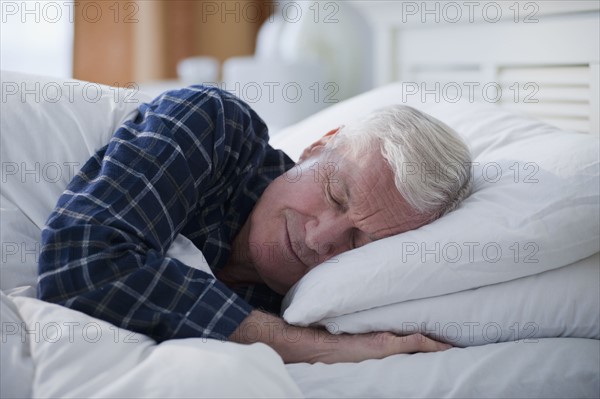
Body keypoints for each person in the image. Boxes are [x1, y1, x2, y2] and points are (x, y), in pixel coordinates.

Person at [38, 85, 472, 364]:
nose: (320, 240)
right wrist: (310, 348)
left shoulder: (316, 305)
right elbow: (79, 263)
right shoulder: (214, 126)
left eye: (359, 242)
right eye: (336, 195)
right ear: (318, 147)